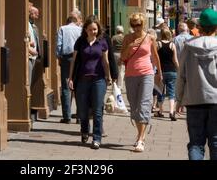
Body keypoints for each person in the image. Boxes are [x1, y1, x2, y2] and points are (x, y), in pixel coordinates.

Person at [176, 8, 217, 160]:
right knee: (215, 141)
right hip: (216, 101)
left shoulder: (189, 46)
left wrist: (179, 99)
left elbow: (181, 75)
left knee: (196, 143)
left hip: (194, 99)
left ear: (200, 27)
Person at [121, 13, 162, 152]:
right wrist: (130, 45)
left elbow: (155, 57)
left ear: (143, 24)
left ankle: (140, 139)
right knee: (134, 107)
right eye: (133, 25)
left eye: (138, 24)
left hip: (147, 74)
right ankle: (140, 135)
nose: (136, 28)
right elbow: (122, 57)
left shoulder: (150, 38)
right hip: (131, 75)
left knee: (144, 104)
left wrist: (159, 74)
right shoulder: (127, 38)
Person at [68, 15, 111, 150]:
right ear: (85, 29)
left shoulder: (102, 42)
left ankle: (96, 138)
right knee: (83, 109)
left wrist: (108, 76)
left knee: (98, 110)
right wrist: (70, 78)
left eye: (95, 29)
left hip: (98, 80)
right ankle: (85, 130)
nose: (93, 32)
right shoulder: (80, 42)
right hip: (82, 80)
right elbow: (74, 61)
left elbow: (105, 61)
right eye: (91, 29)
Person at [56, 16, 82, 123]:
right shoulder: (80, 30)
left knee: (66, 87)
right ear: (76, 22)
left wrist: (59, 58)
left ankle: (67, 117)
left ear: (67, 22)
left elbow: (59, 45)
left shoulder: (62, 29)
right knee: (79, 87)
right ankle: (80, 116)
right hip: (79, 58)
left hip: (66, 58)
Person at [155, 27, 179, 121]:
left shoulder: (158, 44)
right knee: (171, 92)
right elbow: (175, 60)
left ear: (161, 34)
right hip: (172, 71)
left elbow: (155, 59)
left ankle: (160, 111)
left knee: (160, 91)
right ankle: (171, 111)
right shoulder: (172, 45)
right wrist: (179, 69)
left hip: (161, 71)